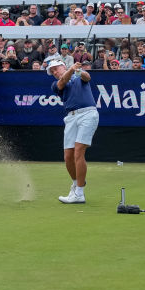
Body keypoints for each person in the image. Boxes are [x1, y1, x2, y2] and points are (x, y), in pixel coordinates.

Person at [46, 57, 99, 204]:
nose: (54, 72)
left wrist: (78, 70)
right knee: (68, 157)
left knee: (78, 152)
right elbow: (62, 82)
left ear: (63, 66)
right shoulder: (55, 85)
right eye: (52, 71)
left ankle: (80, 194)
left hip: (88, 114)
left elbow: (87, 77)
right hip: (70, 118)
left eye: (56, 68)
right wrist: (71, 69)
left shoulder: (78, 76)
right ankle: (76, 185)